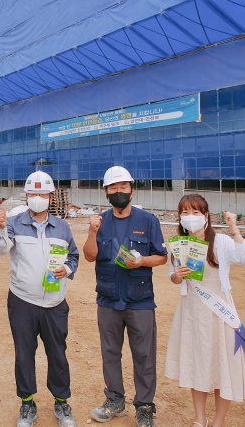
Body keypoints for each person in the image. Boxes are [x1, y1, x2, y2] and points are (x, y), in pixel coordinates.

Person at [0, 171, 80, 427]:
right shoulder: (14, 222)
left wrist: (68, 270)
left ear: (51, 197)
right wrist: (0, 228)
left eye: (43, 194)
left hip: (55, 303)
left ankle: (62, 403)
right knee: (24, 354)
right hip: (23, 301)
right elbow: (1, 249)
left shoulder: (62, 227)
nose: (38, 198)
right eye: (33, 193)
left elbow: (73, 256)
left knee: (58, 354)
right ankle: (27, 404)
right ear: (27, 196)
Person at [83, 166, 167, 427]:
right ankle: (115, 400)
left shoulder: (148, 221)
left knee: (144, 355)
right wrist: (92, 232)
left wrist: (142, 261)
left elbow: (162, 257)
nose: (118, 192)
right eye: (113, 188)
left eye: (123, 187)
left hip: (140, 300)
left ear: (132, 189)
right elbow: (89, 256)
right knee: (110, 352)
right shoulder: (99, 221)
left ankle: (144, 406)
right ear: (106, 192)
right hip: (108, 299)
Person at [165, 195, 245, 427]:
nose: (190, 217)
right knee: (199, 364)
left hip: (220, 312)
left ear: (206, 216)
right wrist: (177, 276)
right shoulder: (177, 245)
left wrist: (234, 227)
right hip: (192, 312)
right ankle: (199, 420)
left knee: (223, 364)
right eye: (185, 213)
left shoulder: (221, 242)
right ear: (180, 217)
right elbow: (172, 276)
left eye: (196, 212)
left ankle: (218, 422)